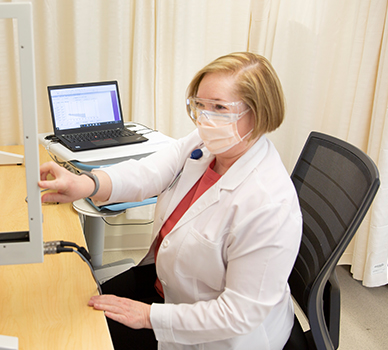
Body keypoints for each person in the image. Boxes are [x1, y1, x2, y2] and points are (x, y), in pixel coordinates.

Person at [38, 52, 303, 350]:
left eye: (219, 108)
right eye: (200, 105)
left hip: (217, 335)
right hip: (167, 285)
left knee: (79, 338)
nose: (204, 118)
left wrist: (149, 316)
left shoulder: (268, 204)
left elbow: (239, 314)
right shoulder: (207, 144)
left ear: (259, 113)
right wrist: (86, 184)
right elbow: (149, 172)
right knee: (69, 310)